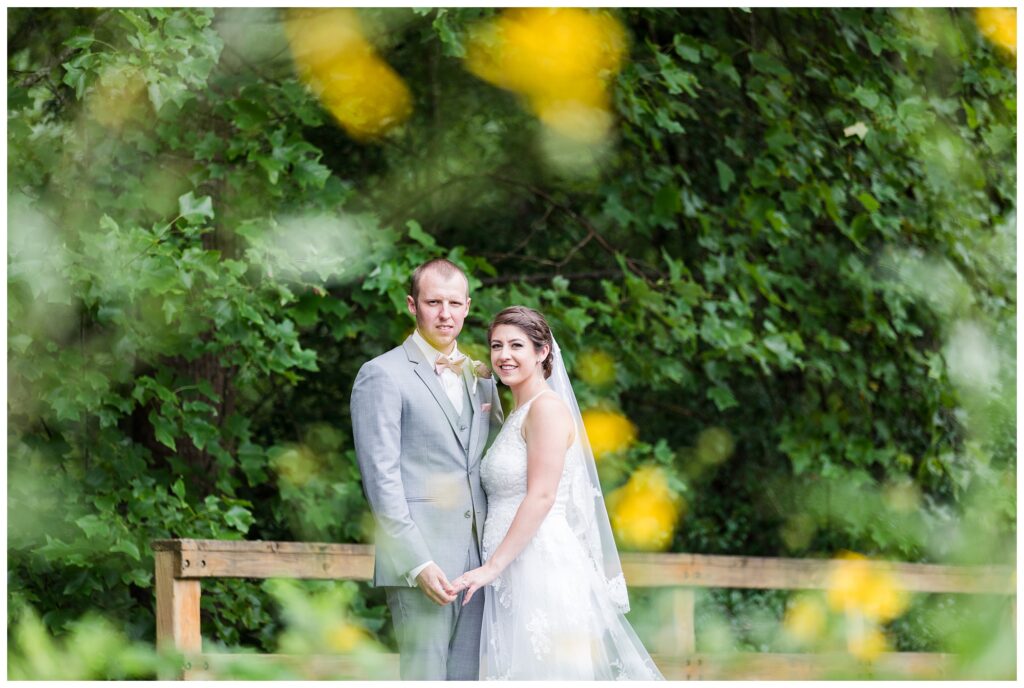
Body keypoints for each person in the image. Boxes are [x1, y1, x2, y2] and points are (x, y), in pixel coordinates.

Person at [451, 306, 663, 680]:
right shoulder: (519, 412)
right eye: (497, 345)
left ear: (543, 352)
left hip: (537, 564)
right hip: (510, 568)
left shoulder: (546, 410)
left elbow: (542, 496)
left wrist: (491, 568)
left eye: (517, 345)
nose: (504, 355)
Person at [350, 258, 504, 680]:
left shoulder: (482, 377)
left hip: (477, 561)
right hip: (420, 561)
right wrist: (417, 563)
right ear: (411, 305)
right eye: (433, 302)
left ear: (468, 306)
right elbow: (380, 479)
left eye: (454, 302)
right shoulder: (381, 375)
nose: (445, 313)